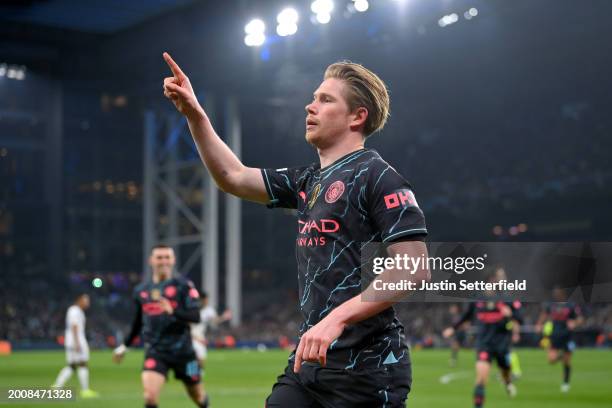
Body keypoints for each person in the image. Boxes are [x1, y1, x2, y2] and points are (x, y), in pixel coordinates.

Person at [162, 52, 429, 407]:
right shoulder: (308, 181)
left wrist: (337, 318)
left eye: (325, 99)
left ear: (357, 116)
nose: (310, 106)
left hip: (368, 372)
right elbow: (233, 176)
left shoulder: (379, 177)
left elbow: (413, 268)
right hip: (309, 364)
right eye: (313, 97)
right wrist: (195, 115)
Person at [112, 245, 208, 408]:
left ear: (173, 260)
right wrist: (124, 346)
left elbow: (195, 316)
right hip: (156, 352)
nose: (163, 261)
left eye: (167, 257)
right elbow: (137, 323)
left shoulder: (184, 286)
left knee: (198, 396)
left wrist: (173, 310)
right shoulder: (141, 291)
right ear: (151, 260)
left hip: (185, 354)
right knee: (150, 397)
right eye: (159, 257)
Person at [443, 270, 522, 408]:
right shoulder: (478, 299)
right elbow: (466, 316)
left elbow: (519, 318)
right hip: (484, 344)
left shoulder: (508, 299)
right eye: (501, 277)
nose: (504, 279)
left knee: (505, 372)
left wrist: (509, 316)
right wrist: (453, 328)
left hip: (502, 344)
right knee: (481, 380)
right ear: (491, 279)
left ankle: (508, 383)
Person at [536, 287, 583, 392]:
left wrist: (574, 323)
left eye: (558, 292)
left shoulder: (571, 305)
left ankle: (566, 383)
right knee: (551, 360)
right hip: (555, 335)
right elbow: (544, 314)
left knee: (567, 363)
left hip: (567, 336)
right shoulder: (551, 304)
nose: (556, 294)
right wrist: (539, 324)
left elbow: (580, 318)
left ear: (563, 293)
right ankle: (562, 356)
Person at [52, 293, 99, 398]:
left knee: (72, 365)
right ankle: (85, 390)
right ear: (79, 300)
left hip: (72, 341)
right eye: (86, 300)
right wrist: (77, 343)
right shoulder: (75, 311)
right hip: (76, 341)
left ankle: (57, 386)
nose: (88, 303)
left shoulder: (75, 311)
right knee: (83, 364)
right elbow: (74, 326)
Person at [190, 291, 232, 368]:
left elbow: (215, 321)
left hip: (200, 337)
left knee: (200, 359)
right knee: (194, 359)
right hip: (191, 337)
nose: (206, 302)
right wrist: (195, 338)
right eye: (205, 300)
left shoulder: (209, 310)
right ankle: (193, 378)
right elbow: (187, 325)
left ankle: (196, 378)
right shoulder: (192, 309)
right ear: (200, 299)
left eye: (207, 300)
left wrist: (224, 317)